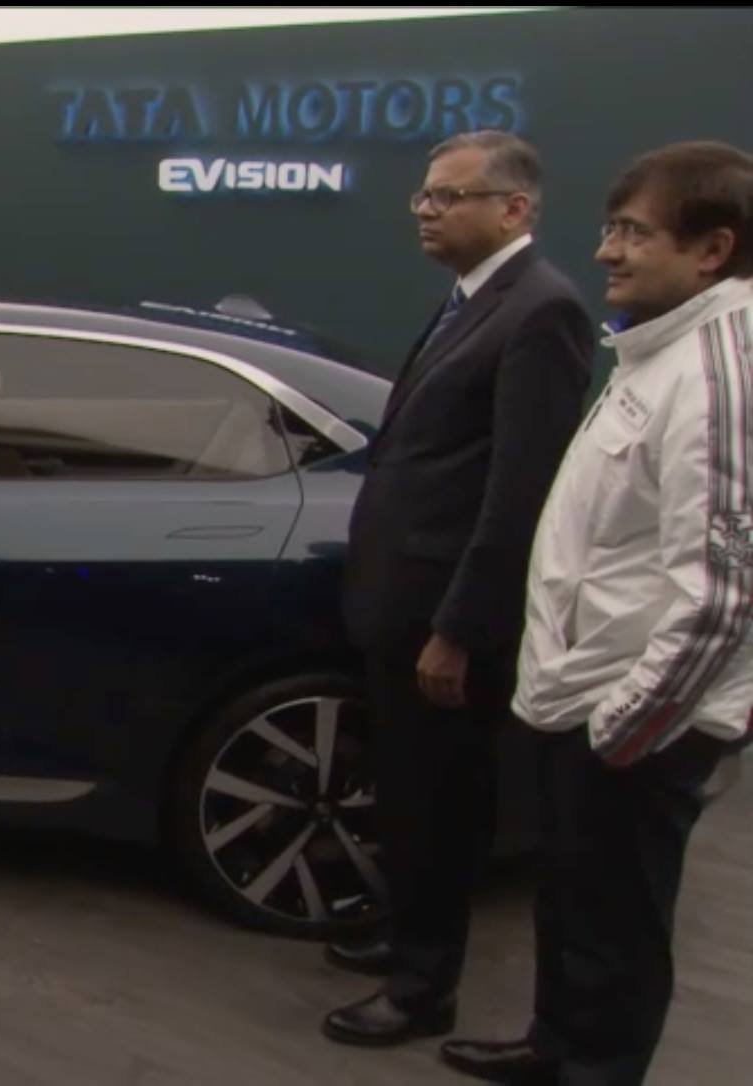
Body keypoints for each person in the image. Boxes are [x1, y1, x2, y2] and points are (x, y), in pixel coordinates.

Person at [439, 140, 753, 1086]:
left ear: (712, 249)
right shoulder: (656, 351)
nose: (606, 250)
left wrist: (624, 733)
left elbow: (722, 598)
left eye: (632, 232)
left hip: (634, 722)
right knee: (575, 904)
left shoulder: (719, 376)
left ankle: (596, 1068)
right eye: (612, 228)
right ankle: (555, 1047)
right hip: (582, 699)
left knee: (618, 929)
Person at [323, 130, 595, 1048]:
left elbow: (519, 494)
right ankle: (405, 933)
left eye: (448, 196)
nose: (426, 211)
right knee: (408, 792)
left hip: (443, 618)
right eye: (423, 196)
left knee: (441, 804)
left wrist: (461, 628)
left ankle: (421, 988)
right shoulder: (470, 301)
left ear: (514, 209)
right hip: (399, 600)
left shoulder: (543, 313)